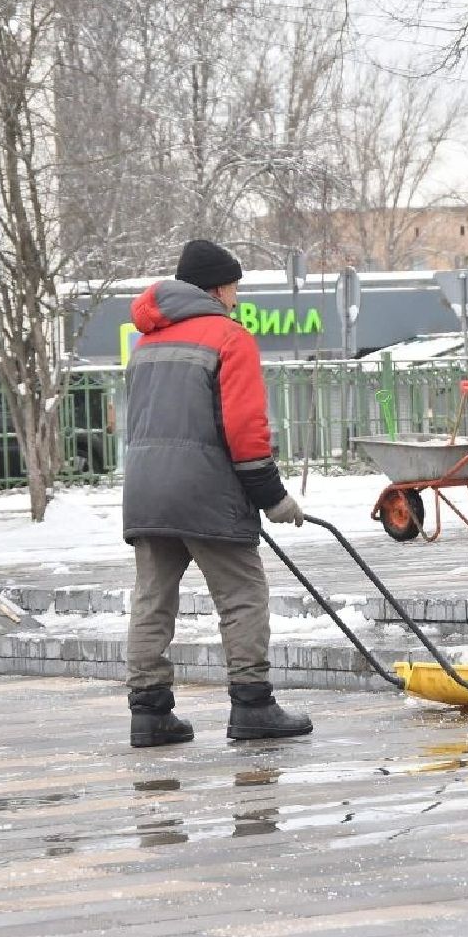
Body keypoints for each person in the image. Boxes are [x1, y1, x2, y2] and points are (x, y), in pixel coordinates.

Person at [122, 238, 311, 746]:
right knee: (242, 595)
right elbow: (246, 427)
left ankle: (150, 712)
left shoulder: (146, 344)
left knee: (152, 600)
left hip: (145, 492)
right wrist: (271, 495)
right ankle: (253, 705)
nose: (236, 298)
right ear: (219, 287)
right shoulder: (229, 338)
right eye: (234, 287)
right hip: (206, 492)